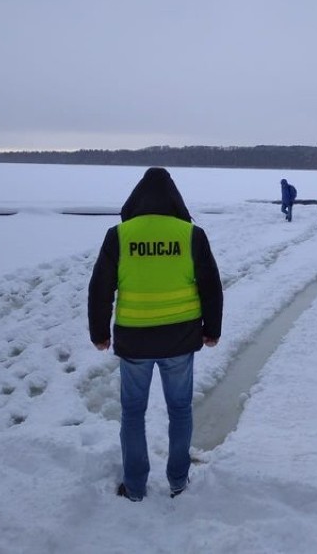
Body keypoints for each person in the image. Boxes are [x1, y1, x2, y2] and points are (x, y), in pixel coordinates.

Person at [88, 167, 223, 502]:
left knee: (133, 412)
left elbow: (100, 288)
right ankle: (178, 481)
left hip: (135, 341)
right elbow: (211, 286)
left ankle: (134, 487)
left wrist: (99, 332)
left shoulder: (119, 234)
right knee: (180, 410)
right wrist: (212, 329)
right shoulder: (191, 234)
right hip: (180, 340)